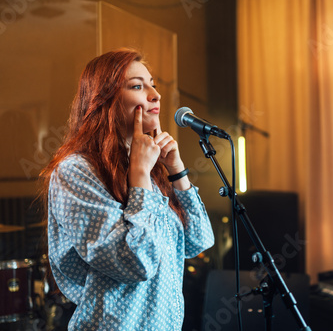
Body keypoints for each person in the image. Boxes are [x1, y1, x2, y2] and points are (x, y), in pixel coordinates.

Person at [40, 48, 215, 330]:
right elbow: (136, 262)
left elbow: (199, 240)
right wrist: (140, 175)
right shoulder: (75, 171)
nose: (154, 95)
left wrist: (177, 171)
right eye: (137, 86)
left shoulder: (149, 167)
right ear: (104, 101)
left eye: (152, 84)